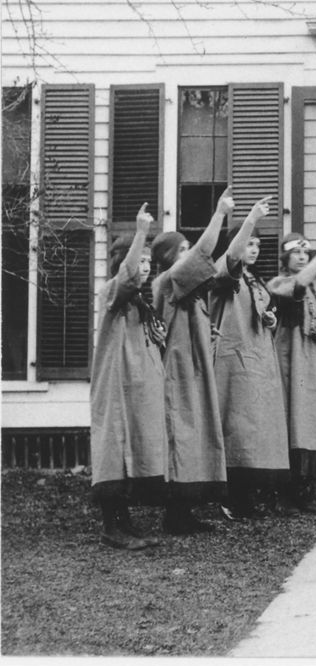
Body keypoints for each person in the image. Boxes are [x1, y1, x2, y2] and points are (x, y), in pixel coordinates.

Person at [151, 187, 232, 534]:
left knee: (194, 436)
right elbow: (205, 251)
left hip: (194, 370)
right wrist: (219, 214)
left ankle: (185, 512)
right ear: (169, 258)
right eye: (181, 250)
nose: (189, 256)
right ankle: (174, 514)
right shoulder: (168, 281)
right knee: (181, 437)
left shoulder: (189, 292)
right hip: (178, 371)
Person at [90, 203, 166, 549]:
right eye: (141, 262)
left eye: (150, 263)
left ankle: (125, 521)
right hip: (115, 387)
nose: (146, 270)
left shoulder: (139, 303)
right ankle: (111, 527)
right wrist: (140, 232)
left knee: (131, 450)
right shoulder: (114, 293)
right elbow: (128, 275)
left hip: (134, 390)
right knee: (114, 451)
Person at [210, 197, 291, 520]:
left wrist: (271, 319)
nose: (254, 249)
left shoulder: (255, 281)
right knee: (235, 424)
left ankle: (250, 496)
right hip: (232, 360)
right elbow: (230, 258)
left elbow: (263, 310)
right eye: (249, 243)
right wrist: (252, 219)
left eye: (258, 244)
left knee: (255, 427)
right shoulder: (224, 273)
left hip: (257, 361)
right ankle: (231, 496)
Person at [268, 229, 316, 512]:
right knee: (291, 419)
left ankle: (304, 491)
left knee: (307, 419)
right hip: (288, 359)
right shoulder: (279, 283)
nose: (302, 258)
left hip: (308, 360)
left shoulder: (311, 289)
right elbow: (298, 285)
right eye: (296, 254)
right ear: (285, 257)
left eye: (305, 254)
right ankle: (284, 494)